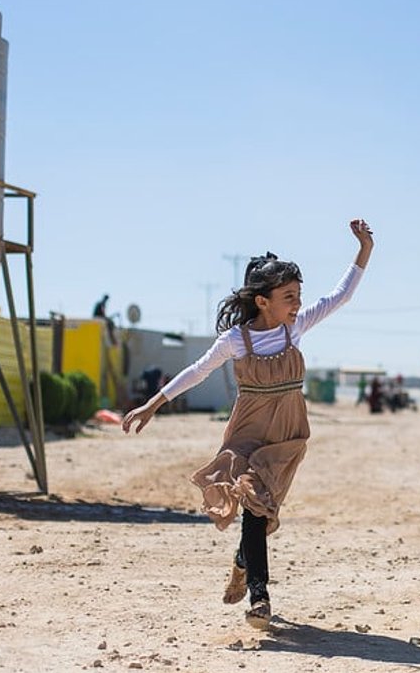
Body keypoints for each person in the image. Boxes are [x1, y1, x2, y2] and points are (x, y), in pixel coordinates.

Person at [122, 219, 374, 629]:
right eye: (288, 296)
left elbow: (341, 295)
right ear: (262, 301)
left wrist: (364, 249)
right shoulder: (236, 340)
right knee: (253, 510)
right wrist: (153, 403)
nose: (296, 303)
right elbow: (197, 371)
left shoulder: (297, 328)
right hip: (247, 435)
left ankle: (242, 561)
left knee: (260, 511)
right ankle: (260, 598)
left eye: (298, 296)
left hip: (287, 436)